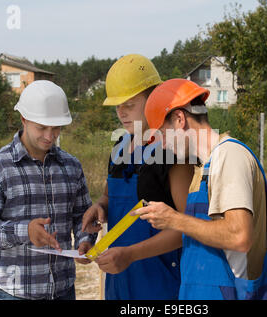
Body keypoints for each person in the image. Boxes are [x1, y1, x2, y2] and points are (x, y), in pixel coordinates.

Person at [134, 78, 267, 300]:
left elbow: (239, 236)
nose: (161, 145)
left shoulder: (229, 155)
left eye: (161, 134)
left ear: (179, 119)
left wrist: (174, 219)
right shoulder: (202, 170)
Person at [0, 80, 96, 300]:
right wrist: (25, 231)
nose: (50, 135)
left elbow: (82, 215)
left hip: (63, 290)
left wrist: (85, 242)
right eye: (42, 127)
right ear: (24, 119)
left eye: (56, 128)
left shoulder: (71, 166)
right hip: (12, 293)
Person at [81, 54, 193, 300]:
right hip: (120, 282)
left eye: (129, 104)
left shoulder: (173, 152)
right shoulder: (119, 148)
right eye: (117, 106)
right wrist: (100, 206)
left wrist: (131, 254)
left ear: (153, 98)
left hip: (162, 284)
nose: (121, 113)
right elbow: (110, 196)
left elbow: (189, 228)